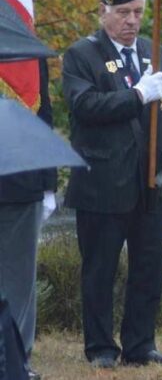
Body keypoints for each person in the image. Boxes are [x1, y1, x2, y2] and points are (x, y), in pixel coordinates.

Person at [61, 0, 162, 367]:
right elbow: (85, 106)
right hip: (102, 182)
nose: (132, 21)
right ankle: (100, 348)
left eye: (137, 12)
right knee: (100, 270)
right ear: (104, 12)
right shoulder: (83, 54)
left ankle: (140, 344)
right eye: (123, 13)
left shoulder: (155, 54)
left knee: (149, 268)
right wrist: (136, 96)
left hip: (151, 181)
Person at [0, 60, 57, 380]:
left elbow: (43, 116)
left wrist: (48, 182)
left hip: (21, 180)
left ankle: (17, 359)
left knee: (19, 280)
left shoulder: (26, 52)